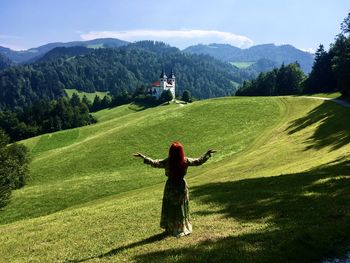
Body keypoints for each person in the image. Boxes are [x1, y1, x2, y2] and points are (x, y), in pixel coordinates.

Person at [133, 141, 216, 237]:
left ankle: (170, 227)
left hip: (170, 186)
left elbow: (155, 163)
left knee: (170, 206)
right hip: (181, 186)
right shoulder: (185, 161)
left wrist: (143, 157)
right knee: (180, 207)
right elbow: (198, 161)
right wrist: (207, 154)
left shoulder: (168, 161)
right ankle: (181, 227)